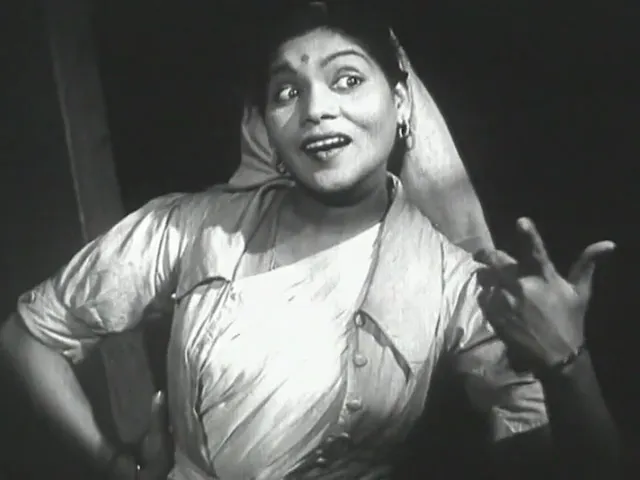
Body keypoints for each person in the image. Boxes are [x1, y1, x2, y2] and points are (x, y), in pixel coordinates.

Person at [0, 1, 621, 479]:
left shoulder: (456, 285)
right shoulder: (191, 228)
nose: (316, 109)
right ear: (267, 130)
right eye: (287, 92)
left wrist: (569, 365)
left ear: (401, 103)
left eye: (346, 79)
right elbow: (28, 337)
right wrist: (114, 467)